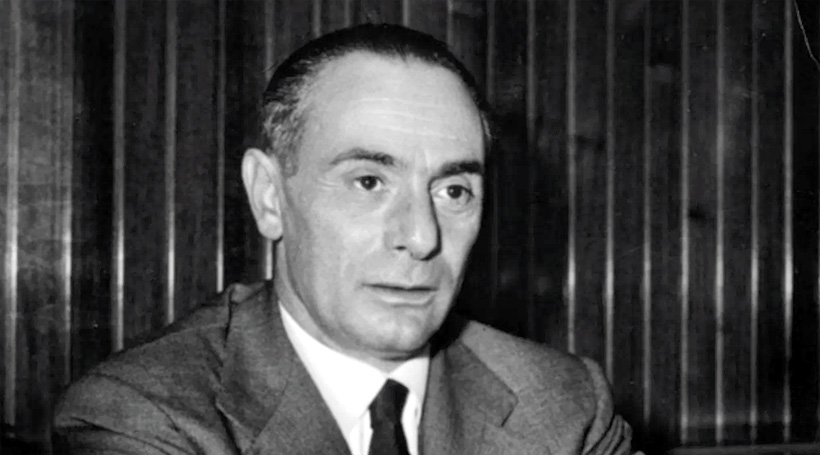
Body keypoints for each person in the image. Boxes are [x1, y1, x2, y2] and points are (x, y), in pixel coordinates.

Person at [54, 24, 633, 454]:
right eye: (369, 182)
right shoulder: (144, 415)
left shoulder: (565, 406)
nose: (421, 237)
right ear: (270, 197)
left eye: (453, 190)